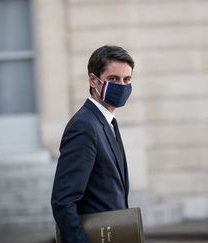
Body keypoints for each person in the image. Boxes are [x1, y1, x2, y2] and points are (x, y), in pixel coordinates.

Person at [51, 45, 134, 242]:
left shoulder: (106, 121)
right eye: (113, 79)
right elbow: (63, 201)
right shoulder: (84, 126)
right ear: (93, 80)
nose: (122, 86)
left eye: (127, 79)